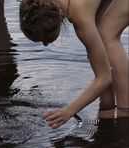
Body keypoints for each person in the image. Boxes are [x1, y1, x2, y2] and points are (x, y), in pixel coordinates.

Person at [19, 0, 129, 128]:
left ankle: (125, 110)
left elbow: (104, 77)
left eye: (45, 39)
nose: (45, 44)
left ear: (58, 20)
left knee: (107, 33)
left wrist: (68, 111)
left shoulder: (80, 16)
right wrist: (106, 107)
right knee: (97, 37)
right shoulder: (43, 4)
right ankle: (107, 105)